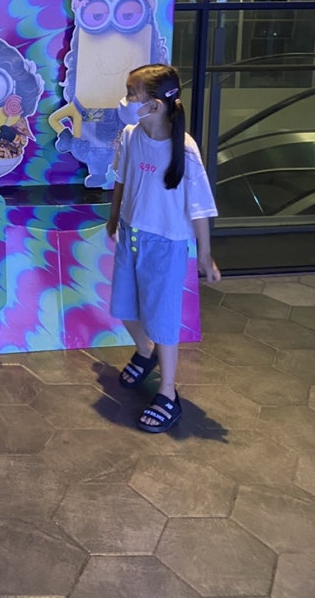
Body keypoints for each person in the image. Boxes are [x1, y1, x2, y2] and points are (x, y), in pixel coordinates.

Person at [105, 63, 221, 433]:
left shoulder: (183, 148)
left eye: (132, 93)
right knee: (124, 307)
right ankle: (145, 352)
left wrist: (204, 255)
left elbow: (199, 206)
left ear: (155, 104)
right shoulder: (130, 135)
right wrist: (114, 217)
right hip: (131, 234)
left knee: (163, 321)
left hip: (166, 246)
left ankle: (168, 394)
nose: (126, 100)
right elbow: (122, 180)